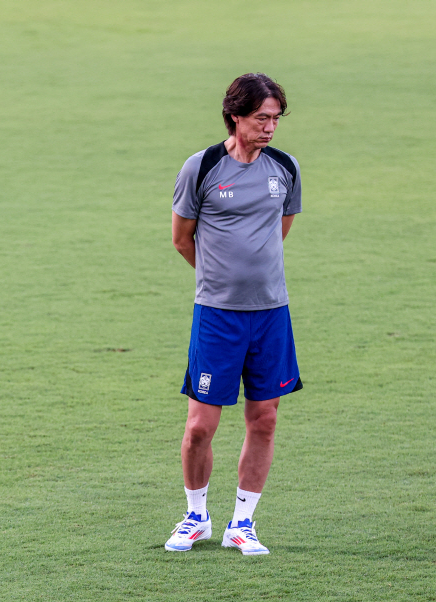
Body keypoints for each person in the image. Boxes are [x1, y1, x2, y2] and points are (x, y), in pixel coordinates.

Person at [164, 73, 302, 556]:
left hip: (270, 314)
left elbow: (279, 228)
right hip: (217, 316)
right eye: (261, 118)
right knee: (200, 425)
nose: (269, 128)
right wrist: (218, 280)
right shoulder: (201, 167)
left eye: (276, 119)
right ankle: (195, 515)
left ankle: (242, 523)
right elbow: (183, 239)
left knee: (264, 419)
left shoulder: (284, 167)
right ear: (235, 116)